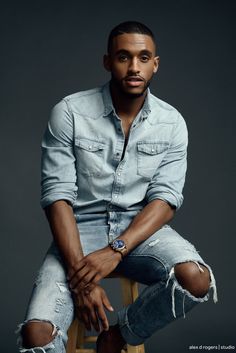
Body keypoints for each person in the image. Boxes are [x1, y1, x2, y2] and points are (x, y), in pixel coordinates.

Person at [16, 21, 217, 353]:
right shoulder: (69, 113)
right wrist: (82, 284)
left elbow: (166, 200)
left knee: (196, 279)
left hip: (142, 234)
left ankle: (120, 334)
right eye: (124, 57)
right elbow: (57, 197)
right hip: (78, 234)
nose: (134, 67)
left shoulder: (172, 122)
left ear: (156, 64)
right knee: (36, 336)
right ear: (108, 62)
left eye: (143, 57)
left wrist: (116, 249)